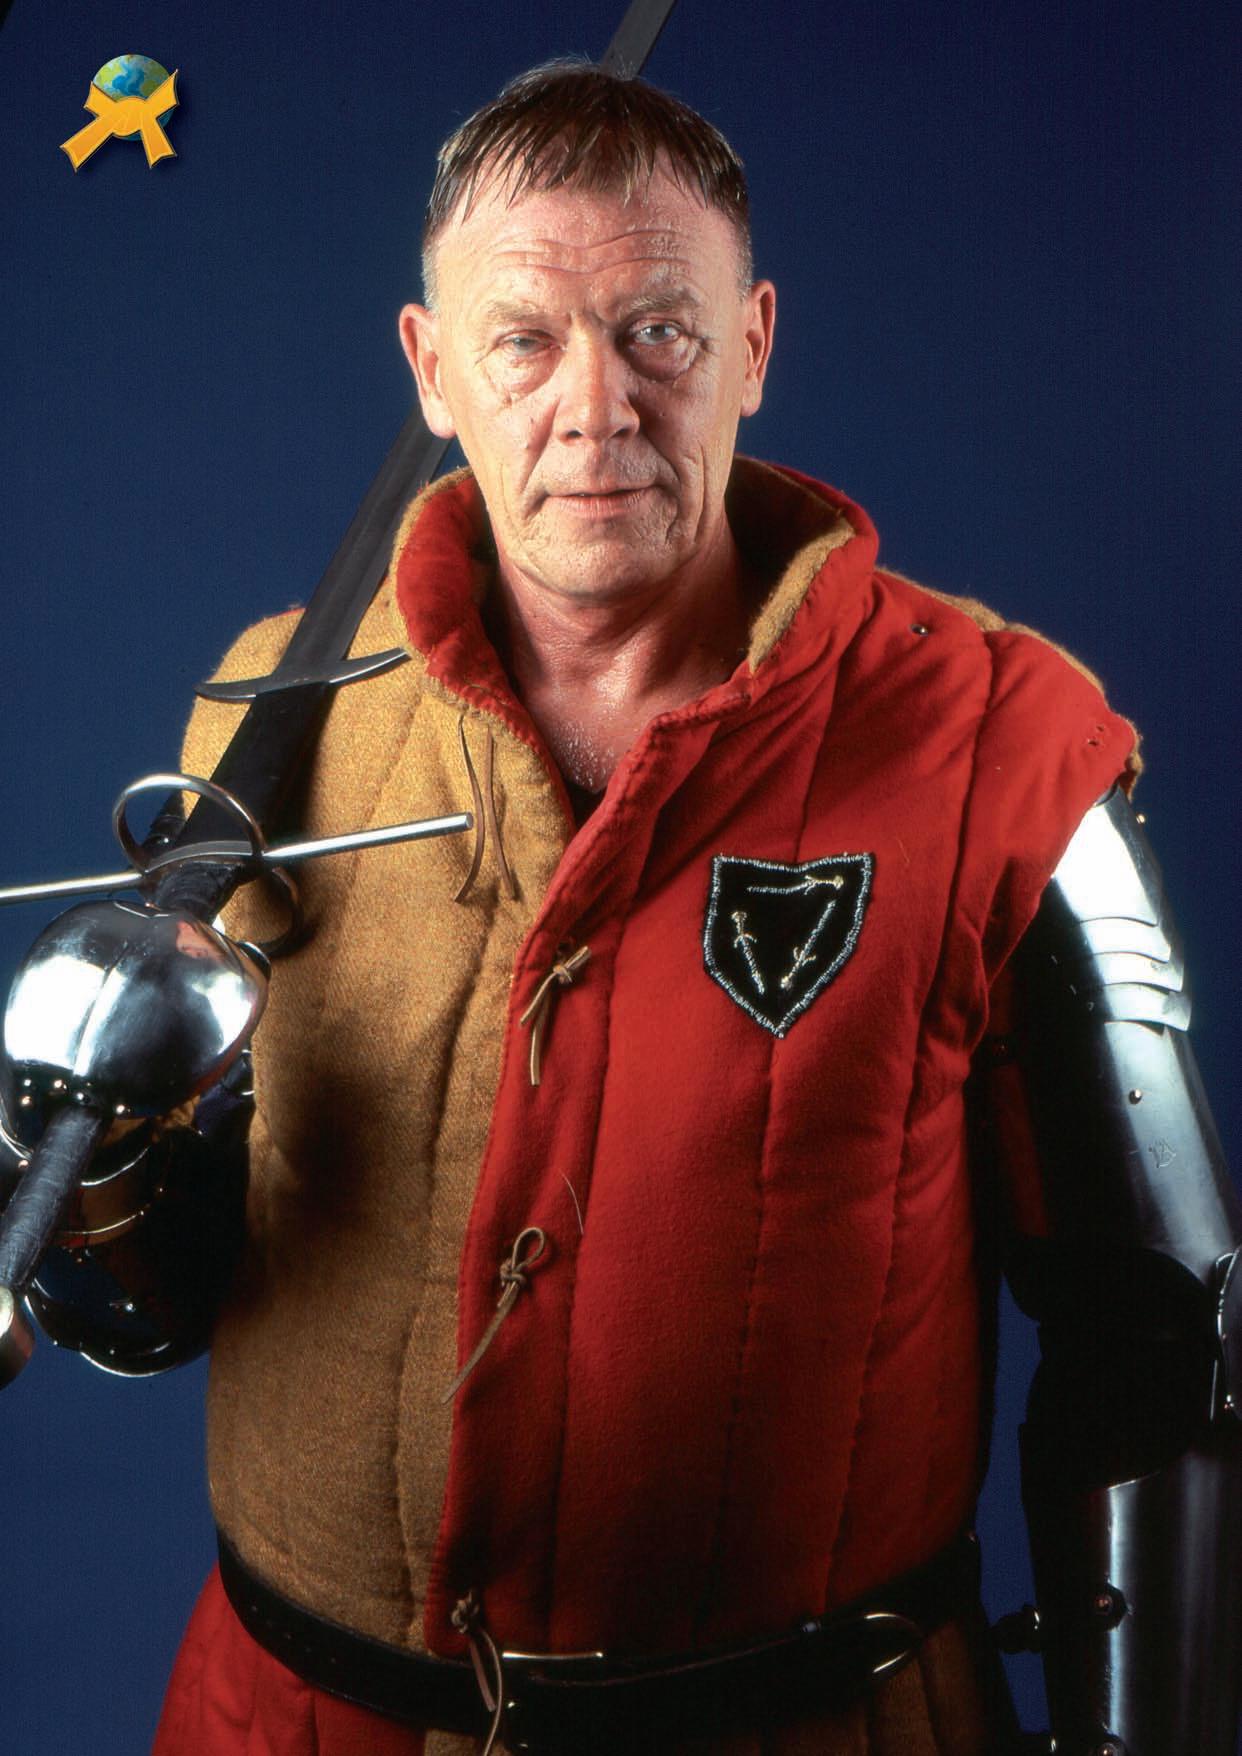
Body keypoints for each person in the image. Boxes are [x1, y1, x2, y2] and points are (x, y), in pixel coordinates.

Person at [15, 62, 1241, 1756]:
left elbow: (1161, 1347)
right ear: (431, 371)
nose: (594, 407)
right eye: (521, 340)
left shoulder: (1005, 739)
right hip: (290, 1721)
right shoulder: (269, 716)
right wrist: (79, 1156)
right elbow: (186, 1288)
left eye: (657, 331)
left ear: (752, 344)